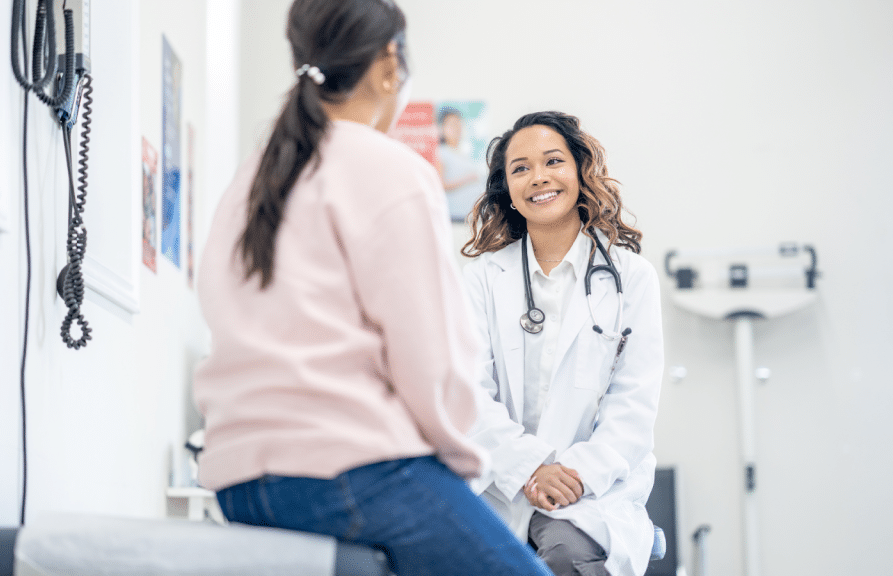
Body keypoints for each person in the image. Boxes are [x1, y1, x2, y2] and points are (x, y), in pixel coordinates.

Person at [192, 2, 552, 575]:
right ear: (389, 63)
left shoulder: (255, 176)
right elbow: (430, 361)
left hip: (239, 483)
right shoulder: (390, 169)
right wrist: (462, 469)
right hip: (351, 472)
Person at [460, 111, 664, 576]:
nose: (539, 177)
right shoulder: (481, 280)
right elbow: (468, 395)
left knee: (568, 554)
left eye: (553, 161)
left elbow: (632, 406)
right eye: (520, 168)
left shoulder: (631, 278)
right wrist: (530, 469)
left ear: (579, 172)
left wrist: (571, 478)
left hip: (592, 492)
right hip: (502, 483)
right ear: (506, 190)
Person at [436, 107, 485, 221]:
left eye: (459, 124)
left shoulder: (464, 152)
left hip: (470, 214)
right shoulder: (441, 152)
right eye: (452, 125)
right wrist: (468, 179)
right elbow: (440, 185)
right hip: (455, 215)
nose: (457, 128)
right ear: (443, 128)